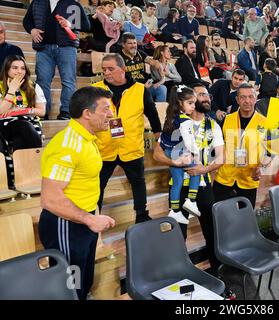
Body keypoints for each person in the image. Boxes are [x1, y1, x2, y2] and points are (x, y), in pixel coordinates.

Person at [39, 86, 116, 300]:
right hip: (66, 224)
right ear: (87, 113)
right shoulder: (67, 145)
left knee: (83, 283)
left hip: (84, 221)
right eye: (106, 109)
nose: (110, 114)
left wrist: (91, 216)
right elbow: (50, 198)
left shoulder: (87, 139)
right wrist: (88, 219)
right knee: (70, 287)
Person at [153, 83, 224, 276]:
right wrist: (176, 163)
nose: (206, 98)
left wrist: (204, 168)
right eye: (201, 95)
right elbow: (157, 155)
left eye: (207, 94)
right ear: (186, 101)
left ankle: (218, 274)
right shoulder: (175, 123)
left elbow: (221, 158)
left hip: (203, 185)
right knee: (177, 235)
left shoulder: (212, 125)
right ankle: (179, 277)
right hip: (179, 185)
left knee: (212, 232)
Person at [92, 54, 162, 224]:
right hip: (104, 147)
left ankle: (141, 214)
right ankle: (93, 216)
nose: (106, 73)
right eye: (104, 70)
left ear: (122, 69)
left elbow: (152, 115)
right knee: (97, 185)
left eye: (110, 69)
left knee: (138, 182)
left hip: (131, 146)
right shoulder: (95, 89)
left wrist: (158, 138)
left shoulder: (140, 89)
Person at [23, 0, 91, 120]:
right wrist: (32, 30)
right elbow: (26, 21)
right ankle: (43, 112)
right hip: (43, 48)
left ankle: (66, 112)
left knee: (68, 81)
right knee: (42, 81)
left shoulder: (72, 3)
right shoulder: (37, 2)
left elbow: (87, 25)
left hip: (67, 47)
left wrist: (71, 24)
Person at [213, 83, 271, 208]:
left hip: (249, 179)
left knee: (245, 220)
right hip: (224, 178)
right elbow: (217, 147)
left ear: (255, 99)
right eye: (243, 97)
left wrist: (261, 167)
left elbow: (272, 151)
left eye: (250, 97)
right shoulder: (226, 120)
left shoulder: (266, 123)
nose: (247, 101)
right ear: (237, 99)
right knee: (220, 219)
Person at [0, 55, 46, 187]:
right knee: (22, 127)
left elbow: (41, 111)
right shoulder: (0, 85)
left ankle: (22, 178)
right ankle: (7, 179)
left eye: (22, 68)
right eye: (15, 68)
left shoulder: (34, 86)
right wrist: (12, 90)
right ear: (7, 69)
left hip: (28, 124)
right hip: (5, 126)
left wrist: (21, 111)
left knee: (24, 129)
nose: (19, 71)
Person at [160, 86, 202, 224]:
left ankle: (174, 210)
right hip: (178, 152)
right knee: (196, 170)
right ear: (179, 102)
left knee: (177, 181)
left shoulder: (171, 116)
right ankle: (191, 200)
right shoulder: (186, 121)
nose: (193, 107)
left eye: (194, 103)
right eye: (190, 103)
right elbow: (190, 142)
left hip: (168, 151)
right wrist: (195, 155)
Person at [119, 33, 167, 102]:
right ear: (123, 45)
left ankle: (158, 111)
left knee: (162, 89)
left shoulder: (139, 53)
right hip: (130, 90)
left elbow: (153, 62)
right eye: (130, 43)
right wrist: (141, 87)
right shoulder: (118, 57)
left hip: (145, 86)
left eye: (135, 43)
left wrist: (160, 68)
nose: (133, 46)